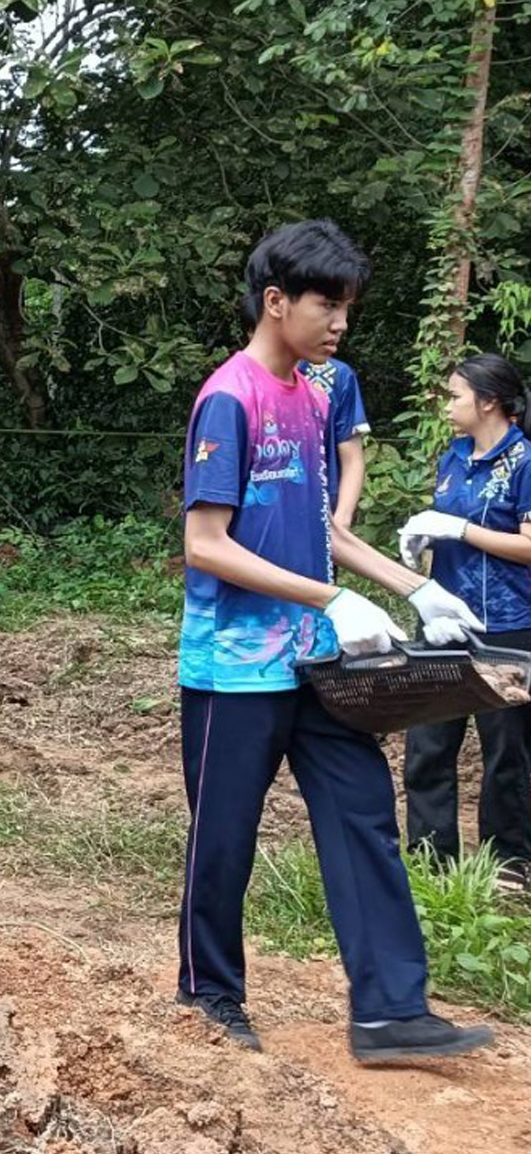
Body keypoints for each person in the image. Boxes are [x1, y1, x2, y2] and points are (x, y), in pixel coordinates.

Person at [176, 219, 491, 1064]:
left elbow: (322, 524)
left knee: (361, 814)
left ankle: (391, 1009)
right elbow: (206, 542)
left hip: (315, 663)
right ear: (276, 302)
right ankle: (210, 997)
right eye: (327, 303)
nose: (340, 322)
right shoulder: (229, 396)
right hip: (232, 671)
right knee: (225, 836)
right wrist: (331, 596)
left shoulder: (315, 397)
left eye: (347, 306)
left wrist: (414, 585)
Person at [394, 353, 531, 892]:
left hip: (507, 622)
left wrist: (460, 530)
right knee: (428, 741)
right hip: (446, 622)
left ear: (489, 401)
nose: (447, 405)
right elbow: (444, 528)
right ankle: (430, 861)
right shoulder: (453, 457)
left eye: (455, 395)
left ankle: (509, 865)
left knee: (506, 751)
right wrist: (424, 543)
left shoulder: (523, 461)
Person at [300, 357, 370, 529]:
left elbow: (352, 458)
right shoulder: (240, 379)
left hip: (322, 515)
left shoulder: (337, 375)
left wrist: (342, 519)